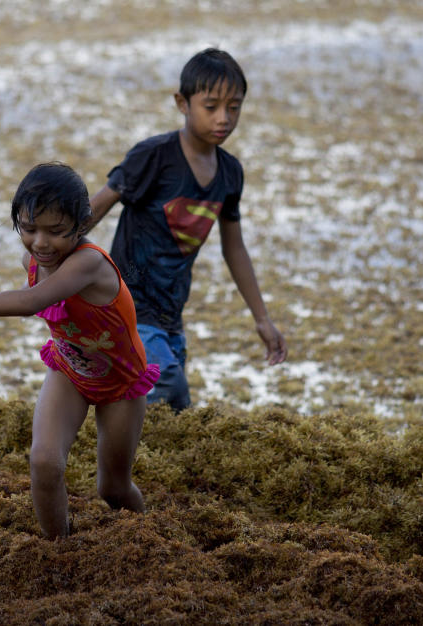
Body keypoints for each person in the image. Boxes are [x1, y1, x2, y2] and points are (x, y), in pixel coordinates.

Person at [0, 162, 160, 539]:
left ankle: (151, 536)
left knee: (113, 488)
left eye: (55, 231)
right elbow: (33, 283)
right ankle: (59, 548)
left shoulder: (89, 263)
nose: (40, 243)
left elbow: (28, 301)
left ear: (81, 225)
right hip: (70, 372)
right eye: (29, 228)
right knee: (44, 462)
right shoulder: (35, 261)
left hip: (120, 382)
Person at [88, 47, 287, 412]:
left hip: (171, 313)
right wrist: (49, 250)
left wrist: (263, 319)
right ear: (183, 103)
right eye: (210, 107)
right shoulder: (153, 157)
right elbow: (96, 207)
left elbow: (235, 249)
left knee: (172, 411)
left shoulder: (230, 174)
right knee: (168, 385)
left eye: (234, 107)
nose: (223, 118)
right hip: (126, 304)